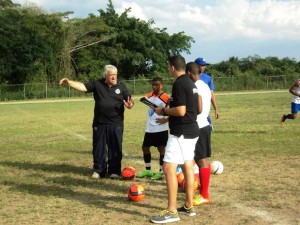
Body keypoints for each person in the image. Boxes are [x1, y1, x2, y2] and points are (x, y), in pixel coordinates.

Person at [59, 65, 134, 179]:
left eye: (115, 75)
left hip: (116, 123)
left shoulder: (122, 87)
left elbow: (130, 100)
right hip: (100, 123)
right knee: (99, 147)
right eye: (111, 75)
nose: (114, 78)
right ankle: (99, 170)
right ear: (105, 75)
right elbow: (83, 86)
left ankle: (114, 171)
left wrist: (130, 105)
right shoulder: (97, 84)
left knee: (115, 147)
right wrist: (69, 82)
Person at [150, 55, 199, 223]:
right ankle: (188, 206)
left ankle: (171, 212)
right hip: (192, 130)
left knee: (168, 168)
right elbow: (197, 108)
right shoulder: (191, 82)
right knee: (187, 166)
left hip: (181, 133)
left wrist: (163, 111)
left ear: (172, 67)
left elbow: (180, 111)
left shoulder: (179, 83)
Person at [186, 62, 212, 206]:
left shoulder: (196, 87)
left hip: (199, 126)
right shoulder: (204, 85)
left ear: (189, 73)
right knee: (200, 159)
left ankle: (204, 195)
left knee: (202, 160)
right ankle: (202, 189)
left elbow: (198, 108)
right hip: (203, 125)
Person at [137, 77, 170, 180]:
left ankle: (161, 171)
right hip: (150, 128)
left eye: (156, 85)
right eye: (153, 84)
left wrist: (166, 120)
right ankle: (148, 169)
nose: (154, 86)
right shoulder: (149, 95)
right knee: (145, 147)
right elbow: (145, 101)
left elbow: (173, 110)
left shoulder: (166, 97)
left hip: (161, 128)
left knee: (161, 149)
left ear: (161, 85)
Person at [195, 57, 220, 129]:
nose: (204, 67)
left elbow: (211, 93)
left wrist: (216, 109)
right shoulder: (189, 77)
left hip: (204, 110)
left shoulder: (207, 78)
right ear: (196, 66)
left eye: (205, 65)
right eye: (202, 65)